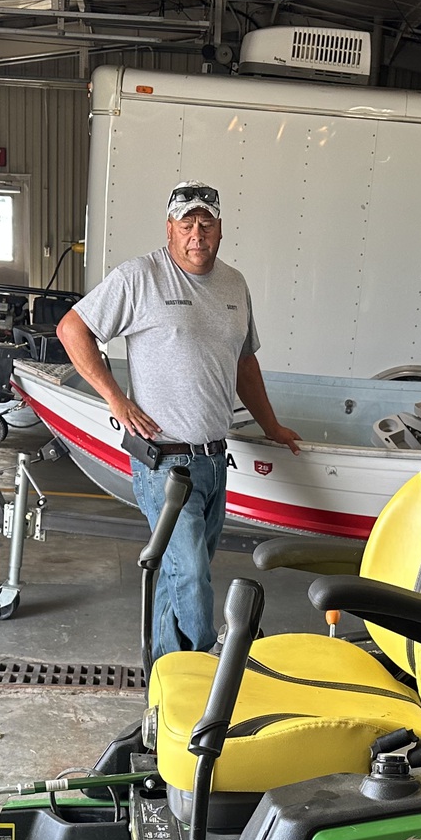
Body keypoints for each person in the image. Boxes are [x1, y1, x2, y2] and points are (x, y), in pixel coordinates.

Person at [57, 182, 302, 655]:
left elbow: (244, 364)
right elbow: (73, 329)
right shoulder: (140, 277)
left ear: (220, 229)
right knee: (189, 574)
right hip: (164, 463)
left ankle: (166, 678)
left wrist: (270, 425)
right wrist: (115, 398)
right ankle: (206, 663)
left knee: (181, 576)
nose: (197, 235)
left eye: (206, 223)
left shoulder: (234, 283)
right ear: (169, 229)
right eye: (186, 224)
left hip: (213, 460)